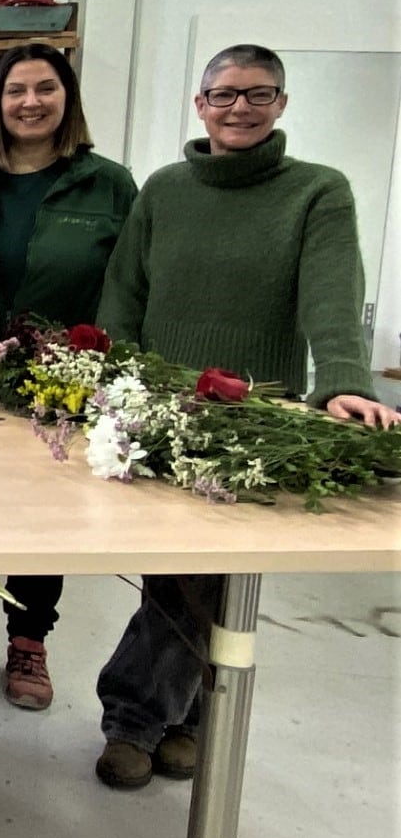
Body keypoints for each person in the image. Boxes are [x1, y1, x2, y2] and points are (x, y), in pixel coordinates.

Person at [92, 43, 397, 790]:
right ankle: (175, 715)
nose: (238, 108)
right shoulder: (164, 189)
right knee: (183, 575)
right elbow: (123, 293)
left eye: (257, 94)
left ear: (281, 104)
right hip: (165, 410)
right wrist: (109, 380)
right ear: (198, 104)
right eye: (223, 94)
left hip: (257, 414)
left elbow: (330, 294)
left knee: (211, 576)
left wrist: (344, 384)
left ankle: (139, 716)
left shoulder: (317, 192)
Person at [0, 43, 136, 710]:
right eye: (15, 90)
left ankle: (29, 637)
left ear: (67, 98)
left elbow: (125, 280)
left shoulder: (108, 184)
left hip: (59, 377)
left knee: (42, 509)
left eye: (45, 88)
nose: (30, 101)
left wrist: (103, 364)